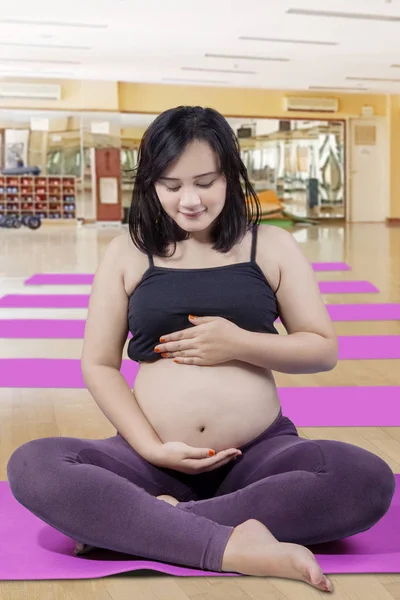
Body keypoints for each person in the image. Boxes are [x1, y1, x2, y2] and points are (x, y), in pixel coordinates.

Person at [7, 106, 395, 594]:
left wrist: (240, 342)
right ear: (151, 183)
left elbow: (322, 350)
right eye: (171, 185)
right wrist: (150, 446)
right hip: (150, 457)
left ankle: (150, 525)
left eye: (205, 181)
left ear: (231, 174)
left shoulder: (270, 246)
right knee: (35, 464)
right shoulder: (128, 251)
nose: (188, 200)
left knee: (363, 478)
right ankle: (233, 545)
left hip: (259, 454)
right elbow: (100, 363)